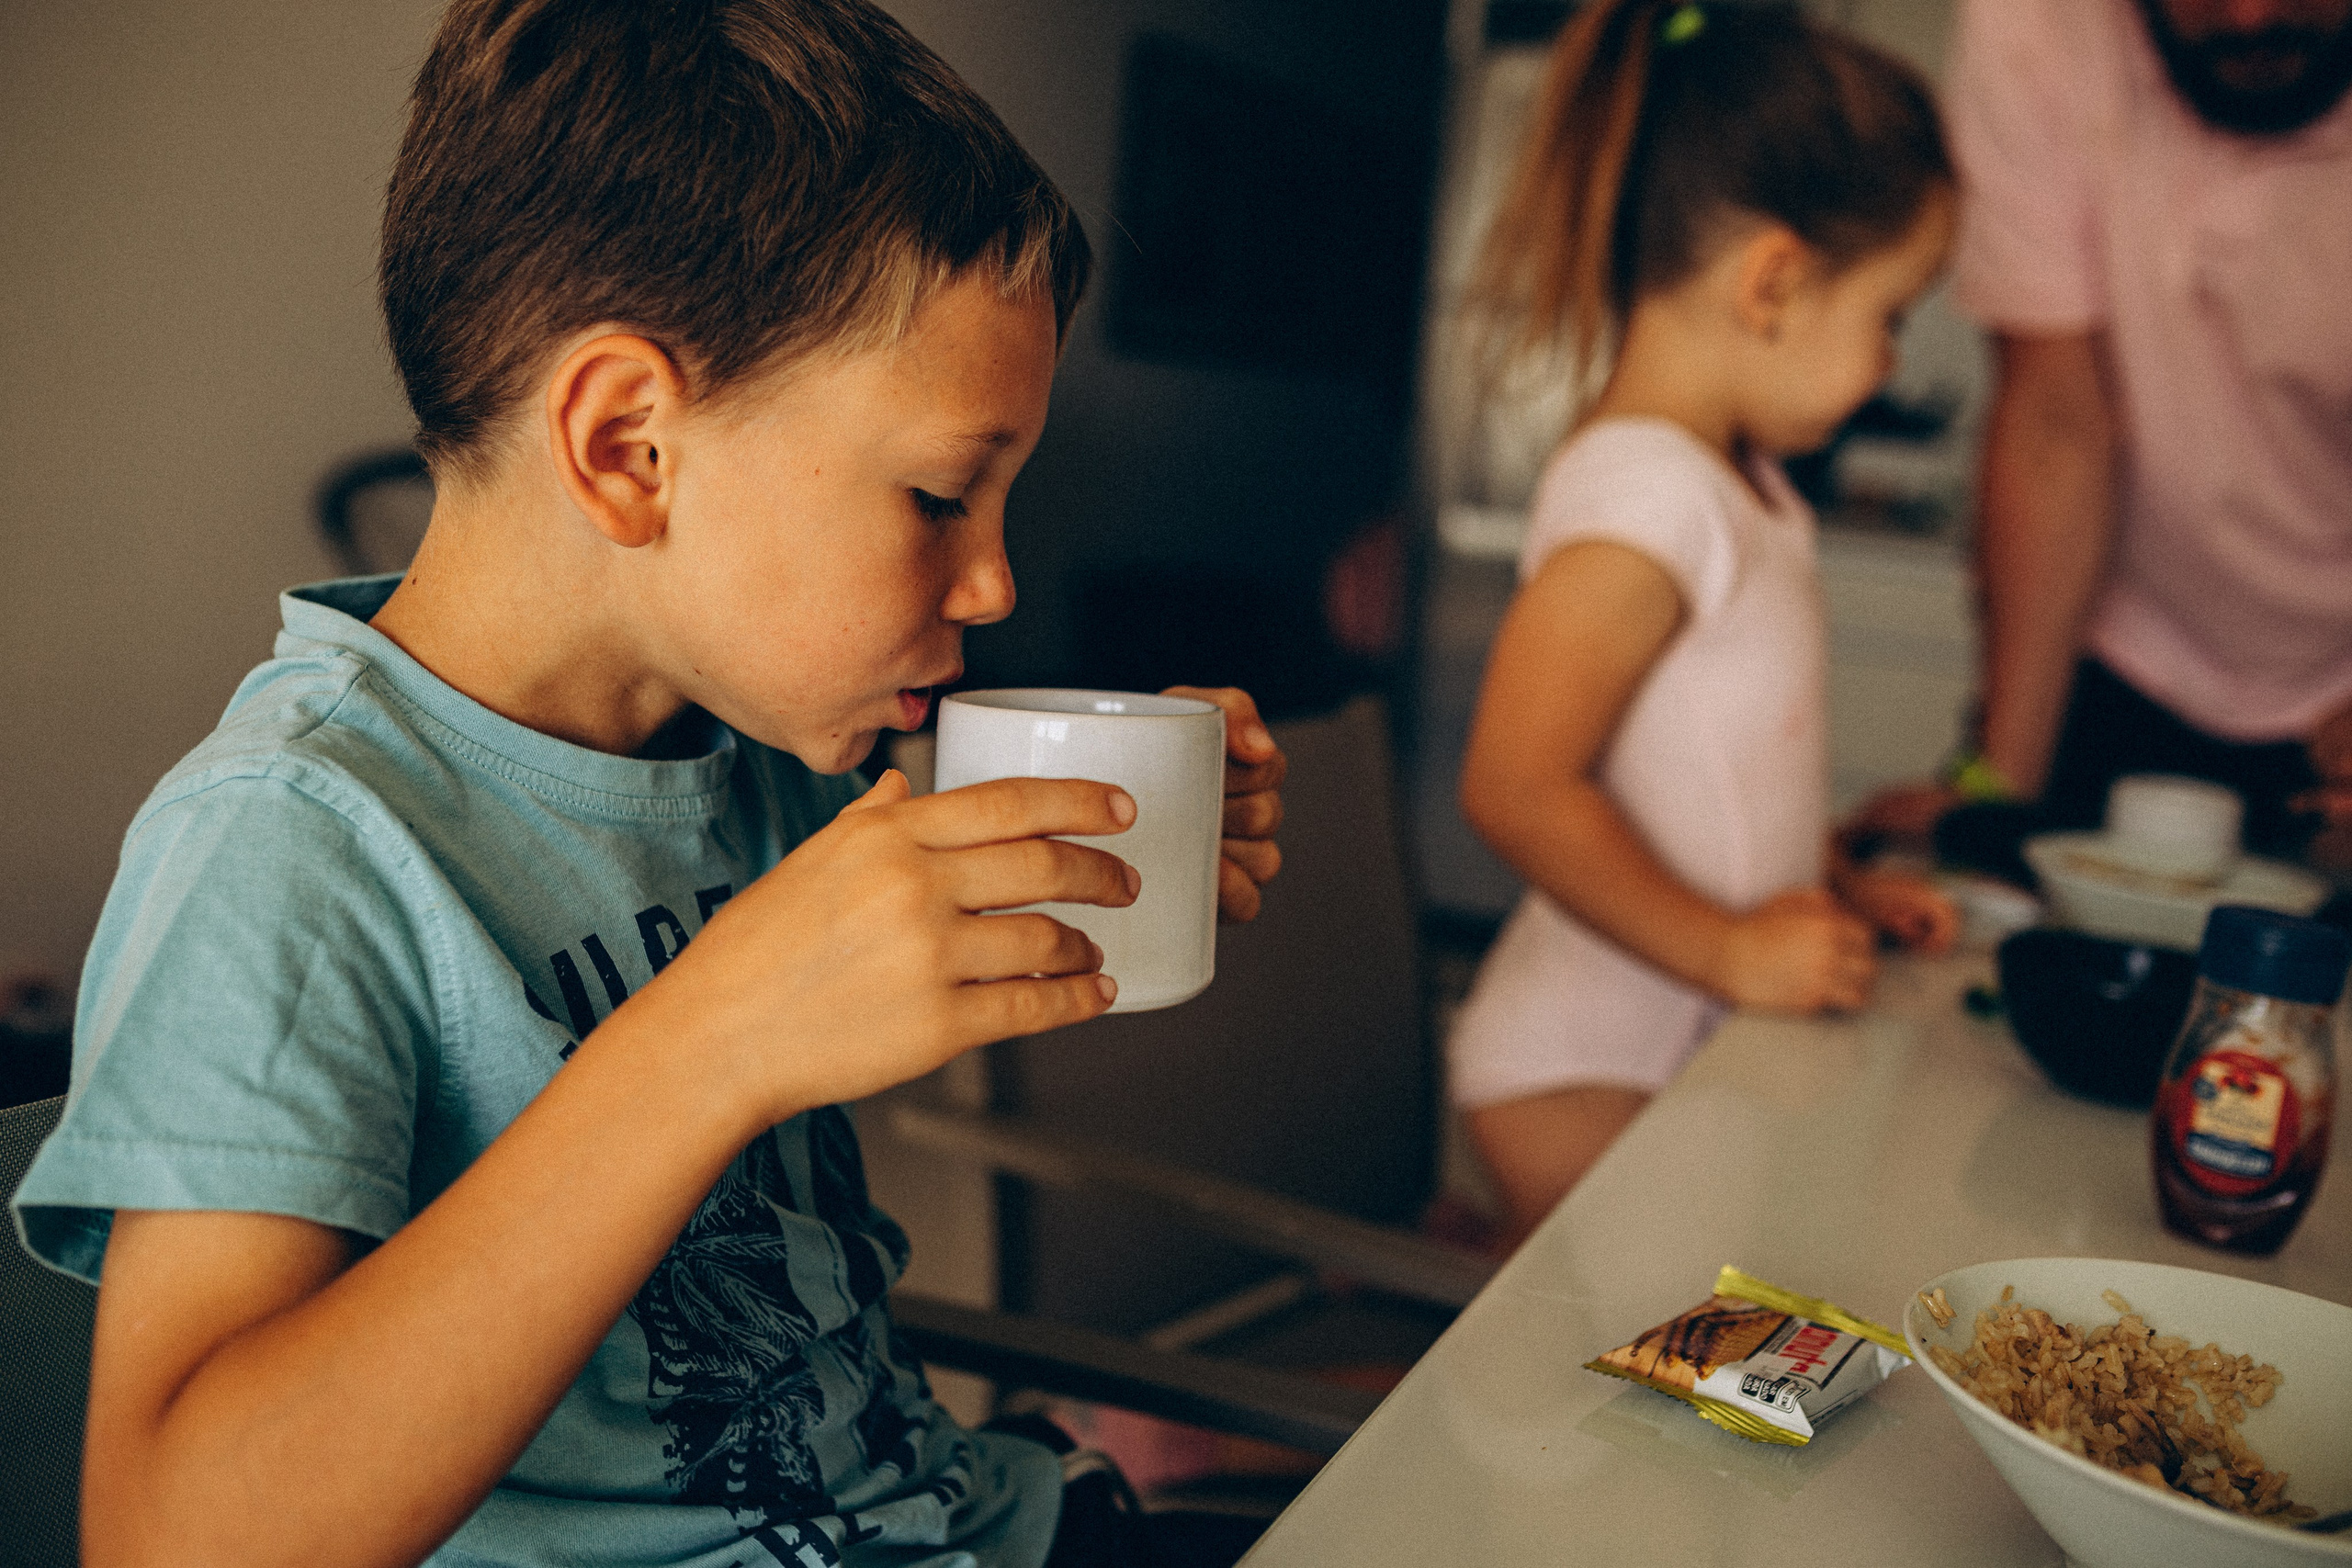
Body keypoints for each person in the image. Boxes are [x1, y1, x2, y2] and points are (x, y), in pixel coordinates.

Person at [8, 4, 1286, 1566]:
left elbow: (908, 950)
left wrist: (1123, 842)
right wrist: (704, 1043)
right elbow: (173, 1534)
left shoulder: (736, 751)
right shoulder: (292, 848)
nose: (997, 581)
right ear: (629, 447)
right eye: (943, 493)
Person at [1447, 0, 1962, 1249]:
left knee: (1583, 1375)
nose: (1892, 362)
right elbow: (1515, 784)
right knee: (1608, 1402)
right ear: (1775, 284)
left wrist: (1825, 884)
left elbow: (1710, 776)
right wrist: (1731, 948)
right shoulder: (1646, 496)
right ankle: (1183, 1440)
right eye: (1891, 313)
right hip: (1583, 1064)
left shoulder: (1739, 486)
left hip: (1669, 1038)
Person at [1871, 0, 2352, 863]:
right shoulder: (2033, 21)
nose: (2247, 19)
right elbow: (2057, 419)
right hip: (2119, 651)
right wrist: (1997, 796)